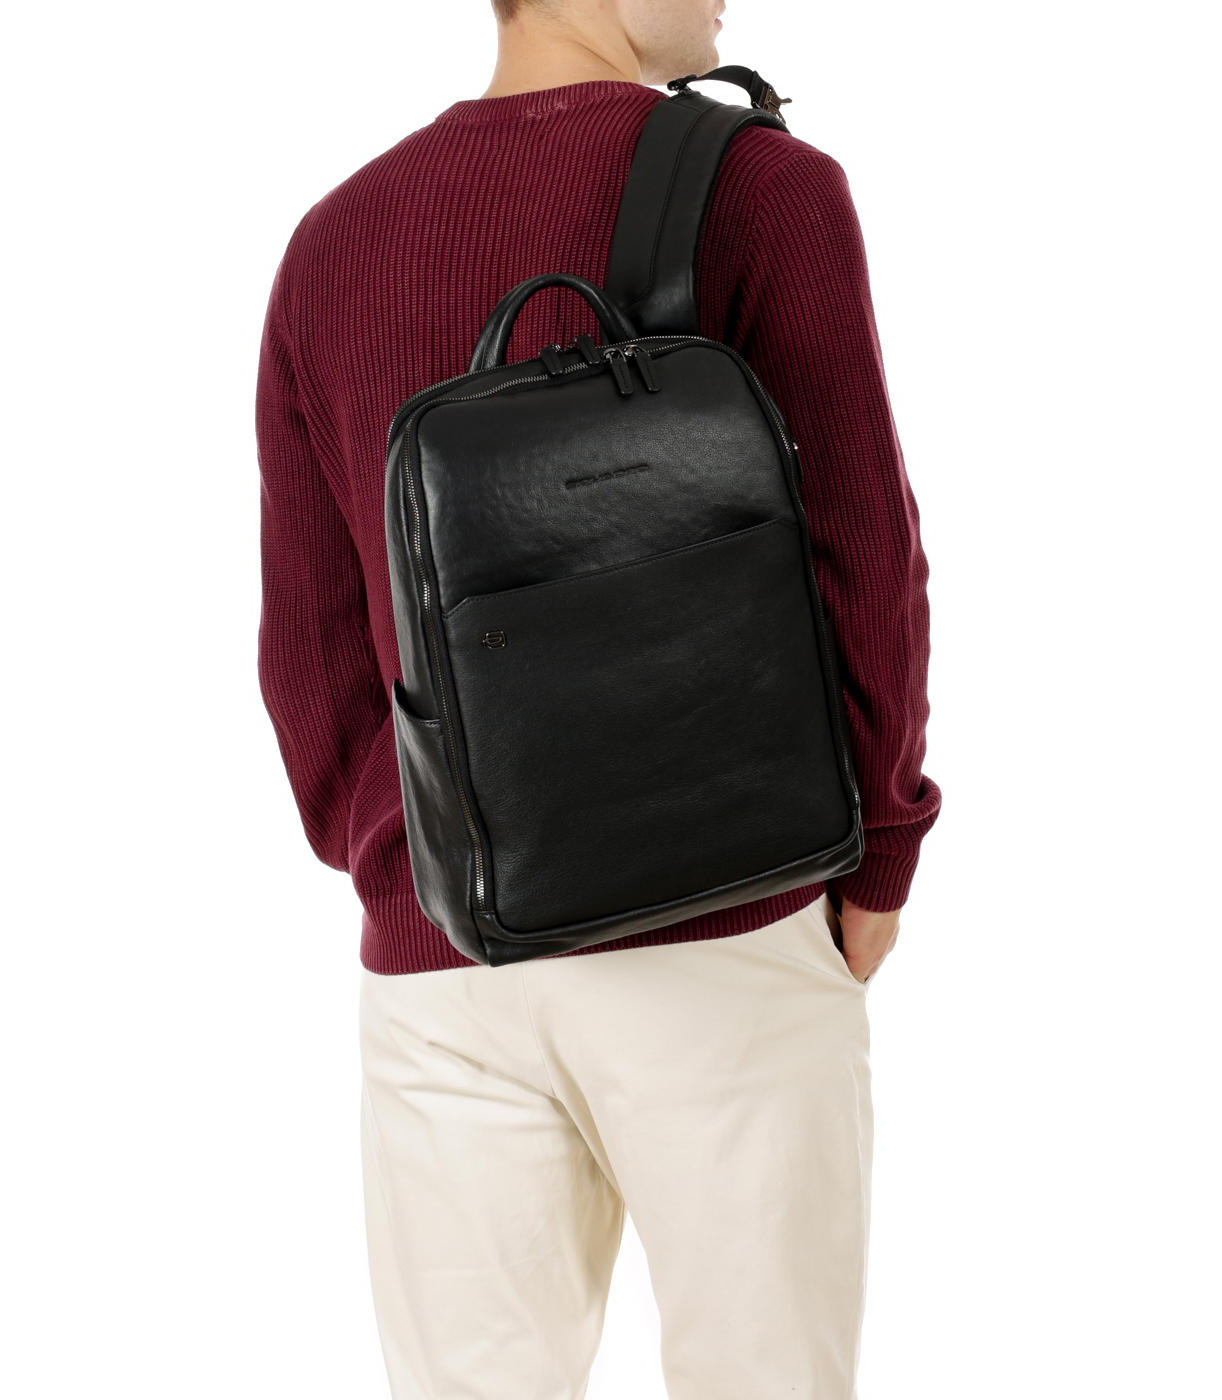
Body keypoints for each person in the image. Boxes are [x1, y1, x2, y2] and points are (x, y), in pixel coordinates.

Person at [256, 0, 939, 1394]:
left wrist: (406, 864)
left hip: (445, 962)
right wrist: (880, 848)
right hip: (722, 922)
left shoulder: (334, 241)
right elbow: (864, 547)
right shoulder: (761, 186)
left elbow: (309, 645)